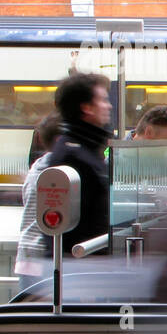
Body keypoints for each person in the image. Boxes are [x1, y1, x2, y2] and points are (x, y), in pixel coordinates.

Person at [43, 72, 113, 257]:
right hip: (82, 265)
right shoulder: (73, 156)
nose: (109, 106)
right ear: (87, 108)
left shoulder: (84, 149)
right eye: (104, 100)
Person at [14, 112, 63, 282]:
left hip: (27, 252)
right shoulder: (57, 172)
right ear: (59, 140)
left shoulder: (37, 166)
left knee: (30, 306)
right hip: (41, 255)